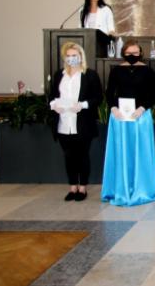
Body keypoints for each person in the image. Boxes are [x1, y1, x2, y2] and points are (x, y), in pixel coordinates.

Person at [101, 40, 155, 206]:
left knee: (141, 152)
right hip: (120, 117)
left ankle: (143, 187)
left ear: (140, 53)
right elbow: (110, 92)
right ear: (124, 53)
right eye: (129, 53)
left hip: (140, 117)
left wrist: (142, 108)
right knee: (122, 152)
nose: (132, 55)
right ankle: (120, 188)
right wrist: (114, 108)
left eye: (135, 53)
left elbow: (154, 93)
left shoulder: (147, 71)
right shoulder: (116, 71)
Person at [49, 42, 102, 201]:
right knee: (69, 156)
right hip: (63, 122)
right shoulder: (59, 75)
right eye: (68, 56)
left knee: (82, 155)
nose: (71, 58)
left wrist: (82, 105)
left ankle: (82, 187)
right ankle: (72, 187)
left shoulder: (90, 74)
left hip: (82, 122)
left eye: (74, 55)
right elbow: (52, 95)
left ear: (80, 56)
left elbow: (98, 97)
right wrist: (54, 105)